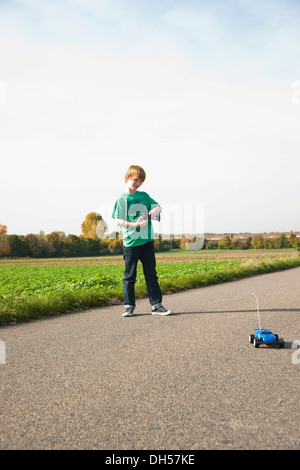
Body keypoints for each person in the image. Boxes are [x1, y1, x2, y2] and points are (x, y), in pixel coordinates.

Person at [112, 165, 172, 317]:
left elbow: (159, 207)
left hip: (147, 241)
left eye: (141, 181)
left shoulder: (144, 196)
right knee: (129, 276)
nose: (138, 183)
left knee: (151, 274)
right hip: (131, 243)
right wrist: (135, 225)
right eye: (136, 180)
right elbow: (118, 221)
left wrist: (152, 212)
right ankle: (128, 306)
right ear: (127, 178)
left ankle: (156, 306)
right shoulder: (121, 200)